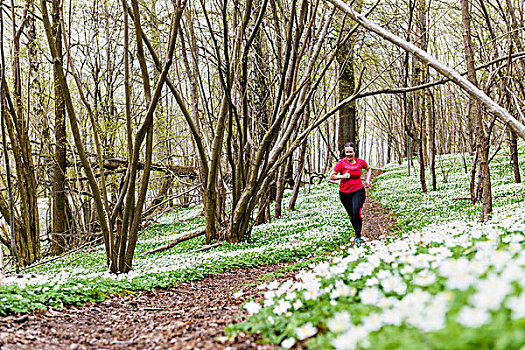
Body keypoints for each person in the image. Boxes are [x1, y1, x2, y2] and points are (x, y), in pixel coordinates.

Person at [330, 142, 372, 246]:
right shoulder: (341, 163)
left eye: (351, 152)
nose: (348, 154)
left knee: (356, 212)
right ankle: (357, 231)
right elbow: (332, 176)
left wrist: (367, 180)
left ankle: (358, 236)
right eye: (347, 152)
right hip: (344, 193)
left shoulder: (360, 162)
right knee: (351, 215)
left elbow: (368, 168)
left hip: (358, 190)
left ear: (354, 152)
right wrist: (343, 177)